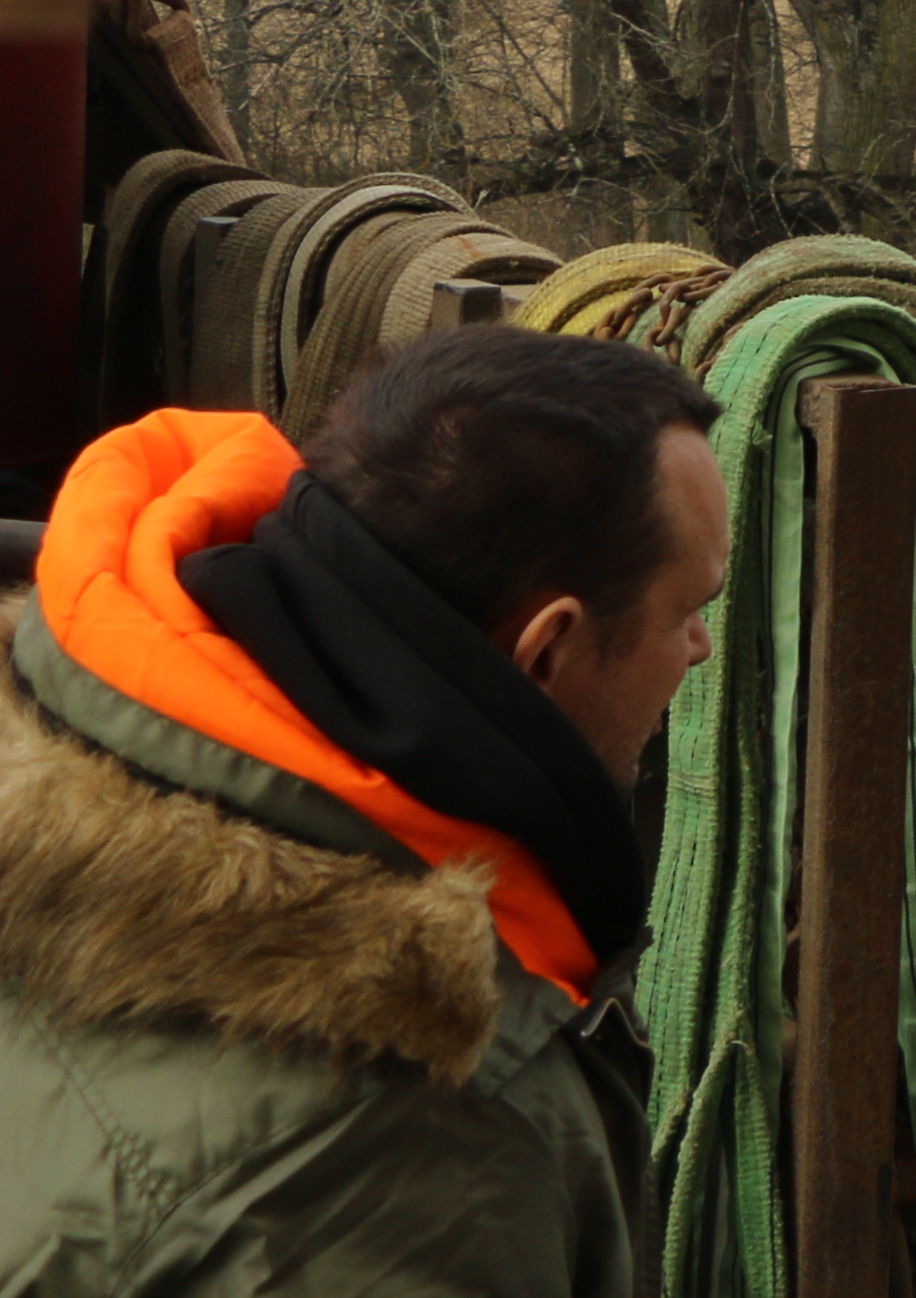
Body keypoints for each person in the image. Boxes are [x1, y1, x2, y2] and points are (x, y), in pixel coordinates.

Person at [0, 326, 729, 1296]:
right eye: (687, 606)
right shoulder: (427, 1160)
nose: (701, 646)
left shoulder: (73, 760)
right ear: (547, 650)